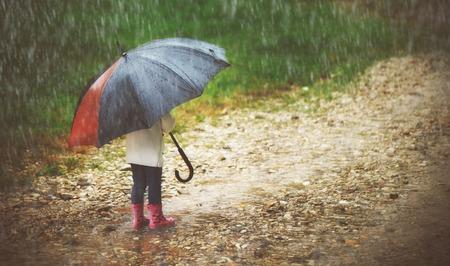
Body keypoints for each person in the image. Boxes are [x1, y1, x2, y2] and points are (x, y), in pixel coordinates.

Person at [126, 112, 176, 229]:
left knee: (138, 184)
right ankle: (156, 220)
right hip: (151, 151)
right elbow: (169, 126)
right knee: (154, 184)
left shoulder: (126, 106)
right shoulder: (155, 105)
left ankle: (138, 219)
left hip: (134, 151)